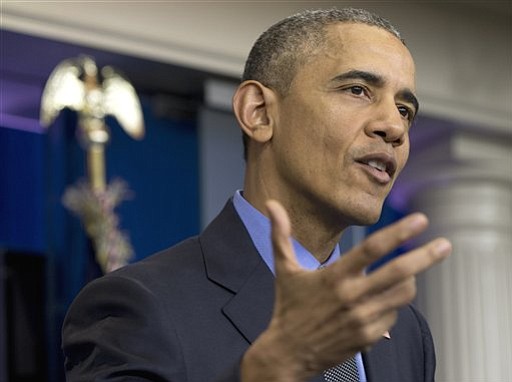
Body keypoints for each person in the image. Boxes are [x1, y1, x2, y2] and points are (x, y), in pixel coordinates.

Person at [62, 7, 452, 382]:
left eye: (405, 110)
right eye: (357, 90)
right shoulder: (138, 304)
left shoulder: (405, 332)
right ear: (259, 113)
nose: (394, 127)